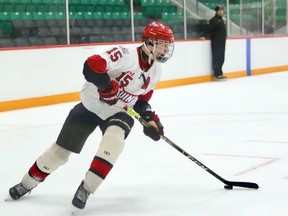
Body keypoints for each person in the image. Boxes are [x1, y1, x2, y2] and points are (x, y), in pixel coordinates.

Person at [8, 21, 175, 209]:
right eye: (162, 43)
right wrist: (105, 86)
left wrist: (149, 118)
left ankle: (87, 188)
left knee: (114, 142)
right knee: (60, 152)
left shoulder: (156, 72)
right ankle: (27, 183)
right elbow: (91, 65)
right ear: (149, 42)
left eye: (168, 45)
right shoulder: (126, 55)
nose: (165, 49)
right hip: (92, 104)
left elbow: (142, 100)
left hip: (120, 111)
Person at [203, 4, 227, 81]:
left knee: (221, 58)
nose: (220, 12)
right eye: (219, 11)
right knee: (217, 58)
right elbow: (209, 29)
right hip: (216, 42)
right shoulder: (214, 20)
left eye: (221, 10)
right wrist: (204, 36)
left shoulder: (221, 19)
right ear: (216, 11)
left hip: (222, 42)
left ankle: (220, 73)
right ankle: (216, 74)